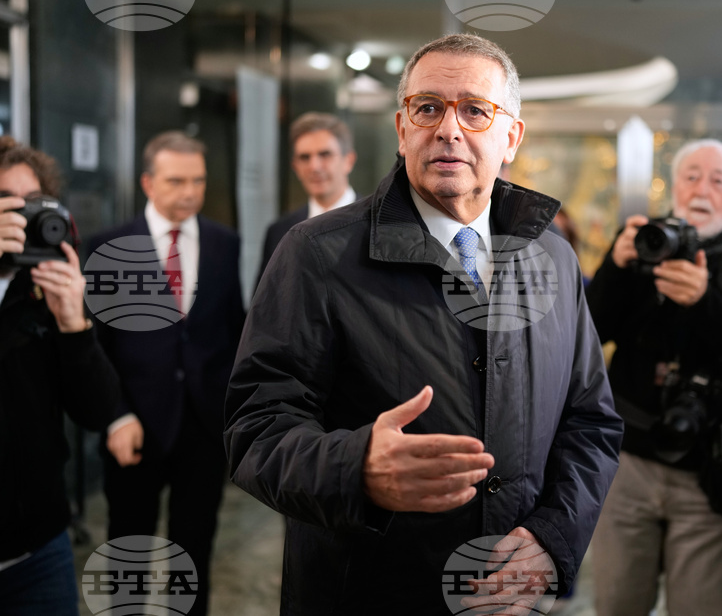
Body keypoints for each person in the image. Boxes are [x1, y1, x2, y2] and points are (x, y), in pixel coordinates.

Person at [224, 33, 622, 615]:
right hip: (367, 592)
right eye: (428, 107)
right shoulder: (317, 253)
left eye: (475, 110)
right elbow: (253, 428)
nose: (449, 129)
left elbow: (591, 423)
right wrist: (355, 469)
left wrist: (551, 539)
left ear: (511, 136)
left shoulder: (553, 258)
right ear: (402, 126)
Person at [585, 139, 722, 616]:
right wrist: (617, 269)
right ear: (674, 186)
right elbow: (588, 336)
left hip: (710, 467)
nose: (703, 189)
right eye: (691, 176)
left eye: (719, 181)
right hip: (628, 460)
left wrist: (705, 303)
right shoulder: (642, 244)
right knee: (616, 603)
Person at [93, 131, 245, 616]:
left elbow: (230, 328)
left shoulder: (224, 242)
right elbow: (94, 348)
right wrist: (115, 416)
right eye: (176, 180)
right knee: (128, 550)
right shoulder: (110, 246)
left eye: (197, 181)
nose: (189, 192)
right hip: (134, 424)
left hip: (203, 425)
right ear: (147, 182)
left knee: (195, 549)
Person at [0, 137, 121, 615]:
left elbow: (97, 410)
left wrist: (75, 324)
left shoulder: (48, 284)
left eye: (30, 204)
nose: (19, 217)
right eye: (4, 203)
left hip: (39, 548)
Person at [256, 111, 357, 283]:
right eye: (305, 157)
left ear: (348, 161)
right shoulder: (279, 233)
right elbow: (264, 305)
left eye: (325, 155)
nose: (314, 166)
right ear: (295, 167)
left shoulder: (379, 225)